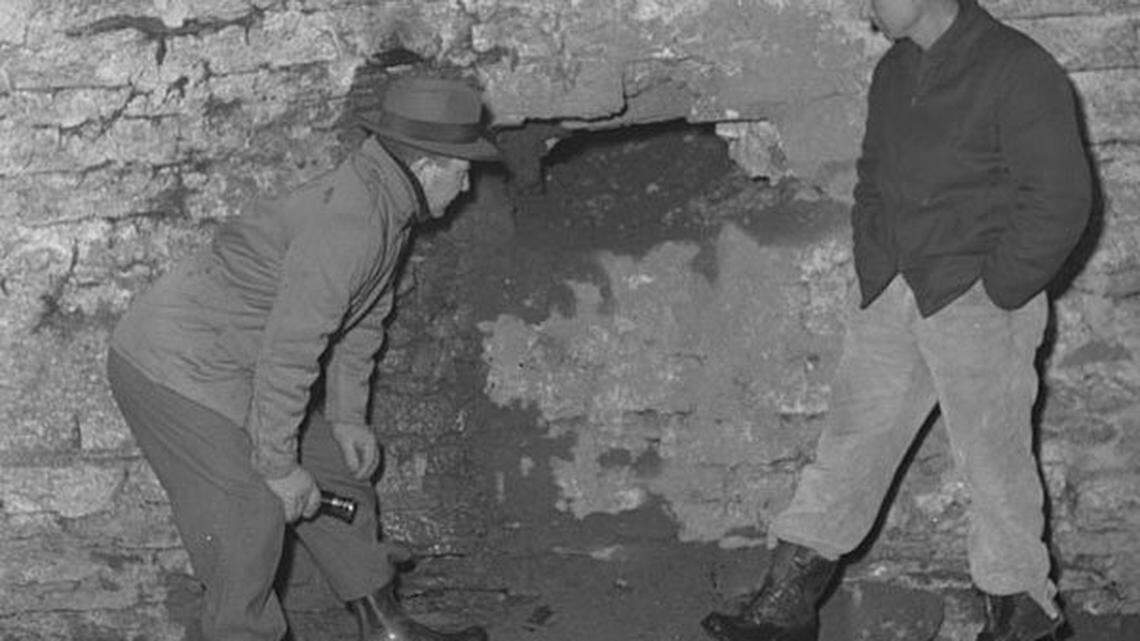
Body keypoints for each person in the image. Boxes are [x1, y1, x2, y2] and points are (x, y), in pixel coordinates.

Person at [701, 1, 1091, 640]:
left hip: (978, 300)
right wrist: (874, 265)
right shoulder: (894, 72)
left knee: (995, 470)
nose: (864, 5)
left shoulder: (1019, 68)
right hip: (896, 292)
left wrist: (999, 289)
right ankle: (785, 608)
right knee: (849, 446)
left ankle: (1023, 623)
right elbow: (873, 178)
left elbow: (1062, 197)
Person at [107, 75, 500, 641]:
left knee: (340, 470)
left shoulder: (386, 205)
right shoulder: (353, 223)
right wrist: (277, 467)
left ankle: (387, 629)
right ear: (429, 163)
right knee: (250, 513)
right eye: (463, 172)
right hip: (173, 365)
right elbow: (290, 354)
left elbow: (363, 318)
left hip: (240, 362)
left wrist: (346, 416)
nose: (466, 187)